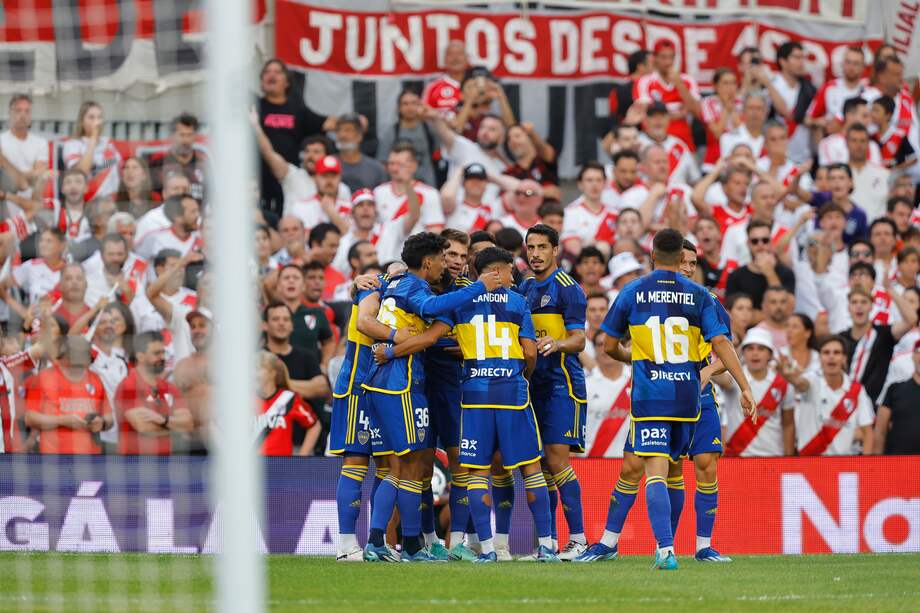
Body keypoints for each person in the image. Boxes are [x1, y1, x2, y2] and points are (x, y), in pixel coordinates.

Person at [587, 229, 754, 570]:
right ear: (679, 258)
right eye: (686, 260)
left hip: (663, 395)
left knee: (671, 469)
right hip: (686, 396)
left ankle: (674, 548)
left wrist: (636, 359)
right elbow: (723, 344)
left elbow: (607, 344)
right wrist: (744, 385)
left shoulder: (641, 292)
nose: (690, 267)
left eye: (695, 263)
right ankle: (617, 541)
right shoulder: (698, 297)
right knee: (651, 468)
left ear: (653, 255)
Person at [359, 232, 501, 562]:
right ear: (428, 261)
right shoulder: (417, 286)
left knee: (403, 466)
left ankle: (394, 542)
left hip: (388, 382)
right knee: (407, 467)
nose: (446, 264)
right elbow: (432, 308)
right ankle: (397, 543)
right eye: (442, 256)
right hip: (401, 384)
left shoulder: (395, 283)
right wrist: (480, 288)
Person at [445, 246, 558, 563]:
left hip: (476, 396)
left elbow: (443, 335)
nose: (514, 275)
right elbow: (531, 351)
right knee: (531, 469)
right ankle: (548, 545)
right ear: (498, 271)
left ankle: (488, 549)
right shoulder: (518, 301)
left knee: (477, 472)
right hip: (512, 393)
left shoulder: (461, 301)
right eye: (511, 270)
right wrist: (523, 375)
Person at [518, 224, 587, 560]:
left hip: (563, 385)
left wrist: (557, 342)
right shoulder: (526, 287)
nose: (535, 254)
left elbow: (580, 339)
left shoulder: (568, 289)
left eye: (542, 247)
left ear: (555, 250)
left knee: (558, 460)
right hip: (533, 385)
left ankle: (579, 539)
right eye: (530, 247)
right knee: (540, 464)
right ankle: (548, 543)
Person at [256, 58, 338, 215]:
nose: (271, 75)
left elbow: (325, 123)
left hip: (289, 179)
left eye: (277, 72)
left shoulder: (297, 108)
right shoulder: (254, 106)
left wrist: (354, 121)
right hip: (259, 177)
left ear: (287, 82)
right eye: (267, 72)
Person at [779, 335, 875, 456]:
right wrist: (789, 377)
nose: (831, 356)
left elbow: (868, 432)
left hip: (845, 464)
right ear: (820, 358)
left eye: (836, 352)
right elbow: (800, 383)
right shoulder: (812, 380)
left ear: (844, 358)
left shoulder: (857, 390)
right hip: (809, 462)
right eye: (826, 352)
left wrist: (866, 467)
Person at [25, 336, 112, 454]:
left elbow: (109, 417)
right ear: (64, 355)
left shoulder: (95, 379)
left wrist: (102, 422)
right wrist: (62, 420)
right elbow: (30, 418)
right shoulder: (44, 378)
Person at [115, 331, 193, 455]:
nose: (162, 357)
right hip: (134, 465)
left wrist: (162, 420)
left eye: (163, 352)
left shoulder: (169, 387)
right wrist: (174, 426)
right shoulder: (128, 385)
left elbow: (188, 424)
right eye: (157, 353)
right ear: (140, 356)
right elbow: (143, 427)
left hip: (164, 464)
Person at [723, 328, 795, 457]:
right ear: (742, 353)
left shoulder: (782, 384)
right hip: (736, 458)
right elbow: (720, 378)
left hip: (773, 456)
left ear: (769, 354)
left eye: (761, 349)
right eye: (750, 349)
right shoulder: (733, 377)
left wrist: (789, 458)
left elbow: (788, 424)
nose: (755, 353)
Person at [841, 285, 917, 403]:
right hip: (843, 405)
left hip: (873, 407)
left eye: (864, 302)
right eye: (854, 302)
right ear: (848, 307)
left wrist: (890, 289)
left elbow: (911, 319)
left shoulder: (884, 334)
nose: (859, 306)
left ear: (871, 306)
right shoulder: (840, 339)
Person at [633, 40, 701, 151]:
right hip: (654, 143)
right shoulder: (645, 81)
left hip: (684, 142)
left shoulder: (687, 80)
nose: (668, 62)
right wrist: (679, 113)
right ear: (655, 58)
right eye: (663, 57)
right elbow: (645, 114)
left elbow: (697, 112)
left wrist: (679, 84)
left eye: (671, 57)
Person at [758, 40, 815, 163]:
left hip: (803, 156)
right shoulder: (772, 85)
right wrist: (767, 83)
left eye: (802, 58)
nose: (801, 62)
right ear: (783, 62)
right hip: (777, 157)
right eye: (796, 57)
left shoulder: (808, 87)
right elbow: (785, 112)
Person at [725, 220, 796, 315]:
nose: (760, 245)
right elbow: (733, 314)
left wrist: (770, 273)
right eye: (755, 241)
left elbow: (787, 309)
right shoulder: (735, 276)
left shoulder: (786, 272)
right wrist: (771, 316)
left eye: (765, 240)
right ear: (748, 244)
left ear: (771, 242)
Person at [583, 331, 632, 457]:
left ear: (621, 347)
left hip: (631, 466)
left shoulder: (637, 381)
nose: (605, 349)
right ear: (593, 349)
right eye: (600, 344)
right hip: (593, 465)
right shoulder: (584, 385)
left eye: (610, 344)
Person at [376, 89, 439, 187]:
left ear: (420, 105)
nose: (410, 107)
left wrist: (434, 116)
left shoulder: (429, 128)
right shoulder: (391, 132)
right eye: (405, 104)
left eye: (414, 103)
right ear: (398, 108)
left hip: (427, 185)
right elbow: (383, 163)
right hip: (400, 186)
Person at [62, 101, 122, 200]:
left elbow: (114, 167)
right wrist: (93, 139)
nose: (97, 122)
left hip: (112, 200)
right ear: (82, 121)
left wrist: (99, 166)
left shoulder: (108, 143)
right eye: (91, 117)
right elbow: (80, 172)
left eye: (99, 117)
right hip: (89, 200)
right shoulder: (73, 144)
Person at [0, 93, 49, 202]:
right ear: (10, 113)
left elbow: (39, 174)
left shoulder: (40, 143)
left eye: (27, 111)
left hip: (31, 198)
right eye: (18, 110)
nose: (23, 115)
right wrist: (29, 175)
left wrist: (7, 166)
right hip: (4, 198)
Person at [874, 339, 920, 454]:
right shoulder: (894, 389)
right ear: (913, 355)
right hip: (898, 465)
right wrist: (874, 466)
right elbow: (880, 431)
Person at [807, 46, 867, 133]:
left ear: (863, 67)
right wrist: (818, 123)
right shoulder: (829, 88)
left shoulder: (870, 92)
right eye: (848, 62)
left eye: (856, 63)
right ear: (842, 64)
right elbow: (809, 118)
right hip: (832, 140)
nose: (851, 67)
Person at [562, 162, 617, 256]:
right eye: (589, 180)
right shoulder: (570, 212)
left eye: (599, 180)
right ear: (580, 184)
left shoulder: (615, 213)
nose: (594, 184)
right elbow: (571, 245)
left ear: (605, 183)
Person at [147, 113, 207, 200]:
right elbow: (151, 197)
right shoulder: (159, 165)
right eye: (182, 135)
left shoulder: (203, 165)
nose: (185, 140)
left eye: (189, 135)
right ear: (172, 136)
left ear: (195, 136)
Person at [135, 194, 201, 261]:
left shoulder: (203, 235)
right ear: (177, 216)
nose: (198, 215)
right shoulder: (154, 238)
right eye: (193, 212)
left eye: (198, 210)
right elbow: (137, 262)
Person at [504, 122, 560, 201]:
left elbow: (545, 150)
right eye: (509, 139)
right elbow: (508, 199)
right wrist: (539, 192)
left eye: (517, 136)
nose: (513, 140)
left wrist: (532, 132)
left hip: (550, 212)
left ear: (530, 138)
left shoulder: (543, 161)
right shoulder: (509, 173)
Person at [335, 114, 387, 192]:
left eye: (348, 130)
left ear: (359, 136)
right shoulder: (327, 164)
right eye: (339, 130)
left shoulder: (376, 169)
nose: (342, 135)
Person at [422, 40, 469, 116]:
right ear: (444, 60)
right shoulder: (433, 87)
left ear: (467, 58)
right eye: (451, 54)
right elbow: (424, 114)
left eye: (459, 54)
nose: (455, 58)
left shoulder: (477, 84)